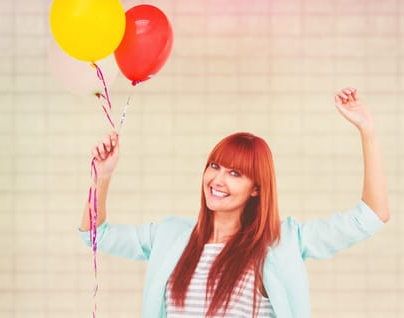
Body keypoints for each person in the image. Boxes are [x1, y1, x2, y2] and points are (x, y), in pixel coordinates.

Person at [79, 87, 389, 318]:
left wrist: (368, 132)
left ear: (256, 188)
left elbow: (371, 216)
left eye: (235, 173)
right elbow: (95, 235)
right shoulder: (170, 235)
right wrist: (102, 177)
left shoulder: (283, 242)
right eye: (214, 166)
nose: (218, 180)